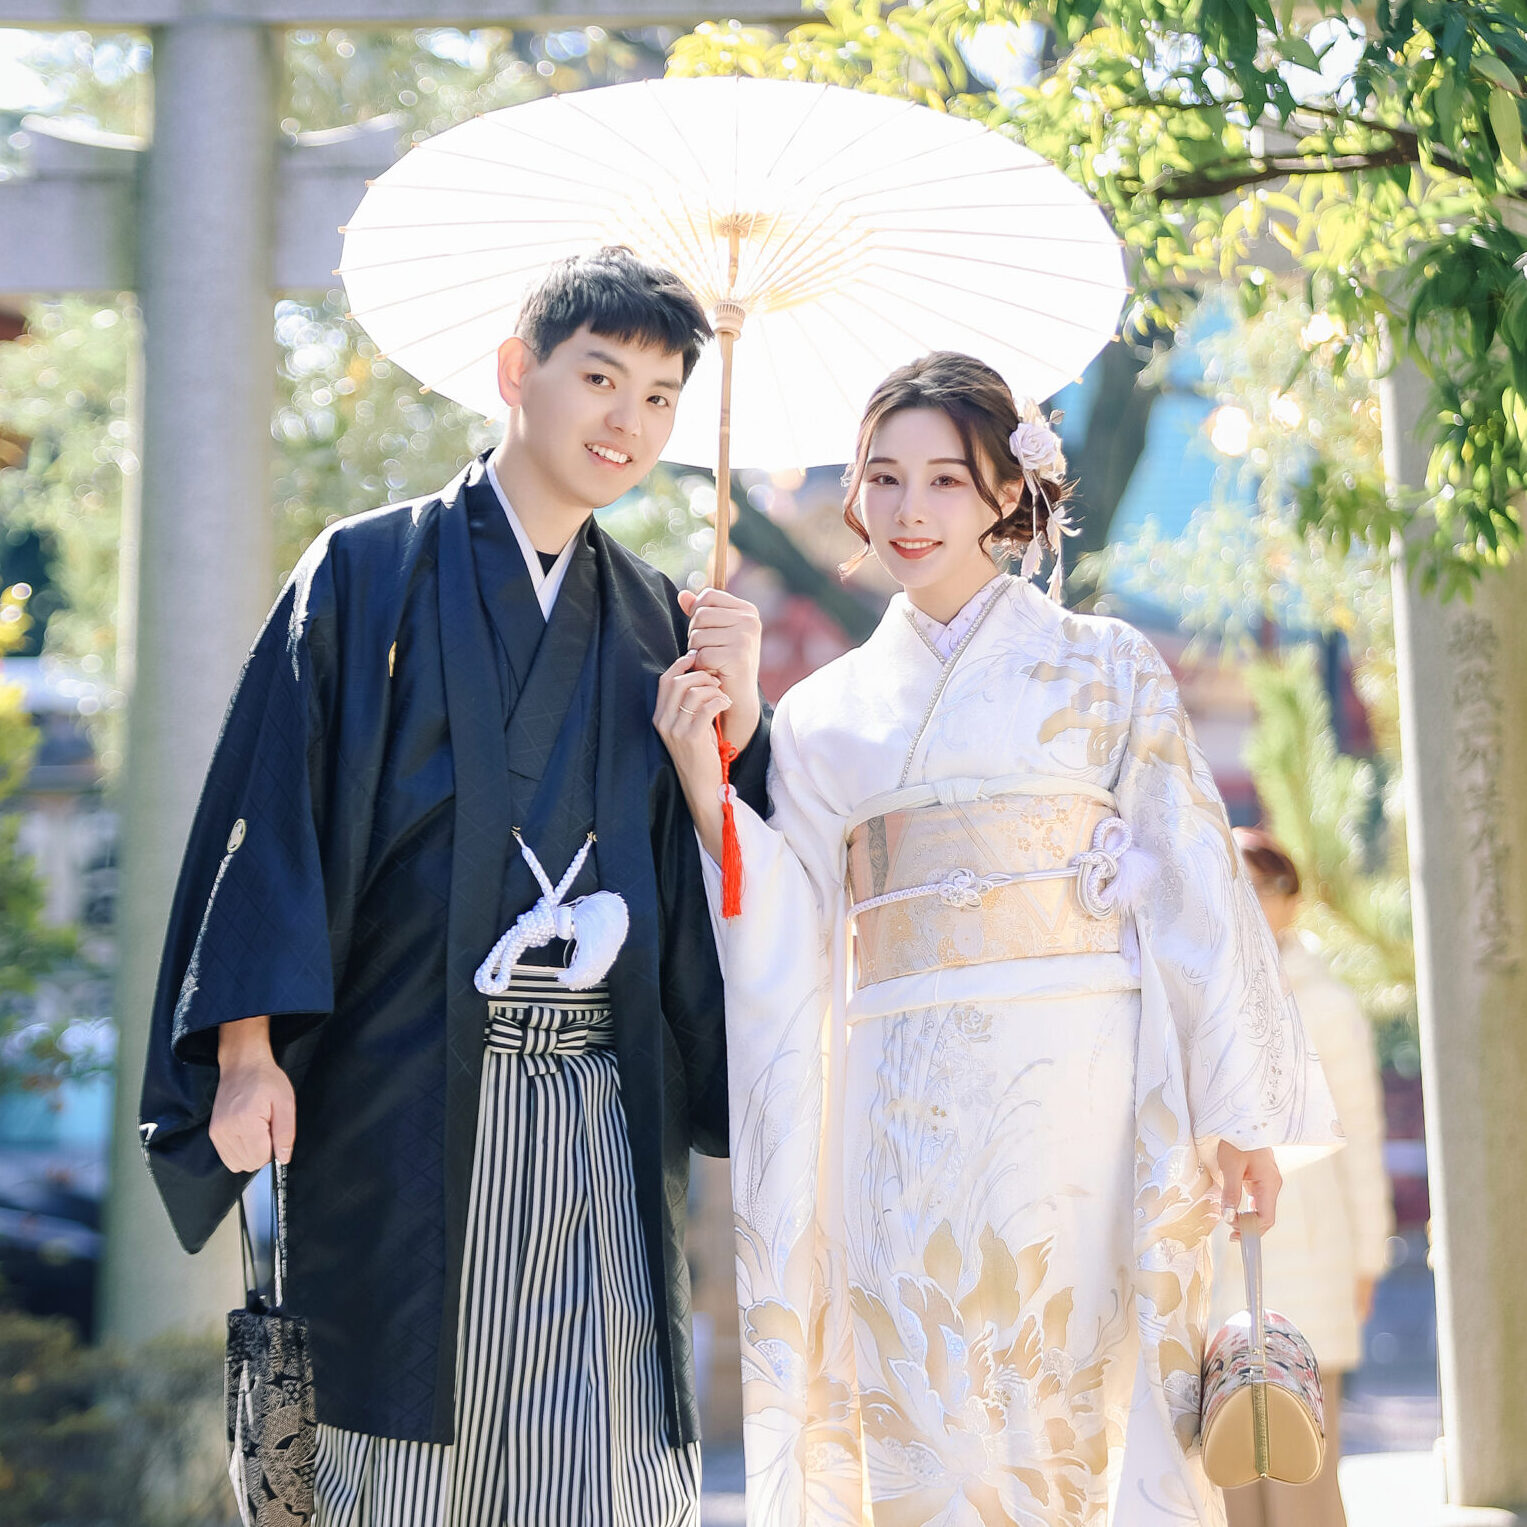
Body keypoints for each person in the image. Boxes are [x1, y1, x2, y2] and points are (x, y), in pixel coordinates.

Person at [138, 247, 769, 1527]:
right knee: (403, 1461)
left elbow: (724, 887)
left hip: (601, 1108)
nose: (629, 421)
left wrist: (733, 733)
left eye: (660, 397)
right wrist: (247, 1053)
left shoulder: (662, 622)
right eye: (601, 378)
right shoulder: (366, 572)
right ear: (516, 371)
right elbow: (273, 805)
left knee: (594, 1462)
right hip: (407, 1096)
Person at [655, 351, 1341, 1525]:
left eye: (945, 480)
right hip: (897, 1116)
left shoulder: (1108, 669)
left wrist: (1239, 1114)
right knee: (922, 1407)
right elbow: (788, 928)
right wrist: (706, 772)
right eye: (882, 478)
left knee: (1077, 1404)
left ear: (1007, 494)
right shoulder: (820, 718)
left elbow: (1195, 891)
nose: (909, 509)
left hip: (1082, 1097)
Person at [1211, 828, 1392, 1527]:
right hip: (1219, 1248)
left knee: (1301, 1460)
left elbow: (1361, 1136)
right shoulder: (1200, 990)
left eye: (1262, 887)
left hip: (1312, 1247)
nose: (1249, 903)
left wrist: (1369, 1257)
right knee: (1223, 1456)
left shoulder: (1328, 1003)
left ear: (1291, 900)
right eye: (1234, 887)